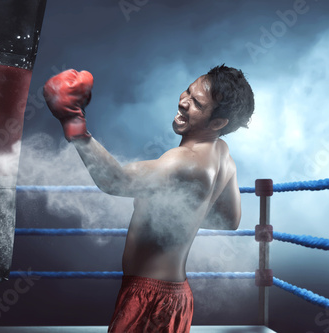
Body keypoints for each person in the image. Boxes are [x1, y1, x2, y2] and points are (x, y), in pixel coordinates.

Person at [43, 64, 254, 333]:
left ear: (218, 123)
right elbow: (229, 220)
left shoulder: (184, 162)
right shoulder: (222, 153)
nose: (184, 102)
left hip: (150, 298)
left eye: (197, 103)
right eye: (188, 91)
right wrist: (184, 212)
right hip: (175, 296)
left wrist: (73, 120)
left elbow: (114, 180)